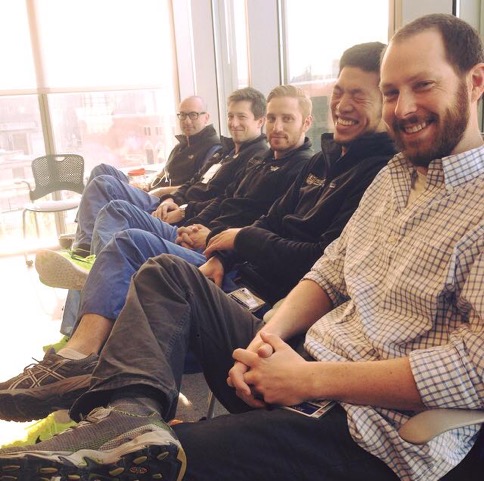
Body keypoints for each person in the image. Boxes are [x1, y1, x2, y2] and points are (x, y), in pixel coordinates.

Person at [2, 15, 483, 481]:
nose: (402, 108)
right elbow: (329, 273)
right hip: (295, 362)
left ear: (475, 81)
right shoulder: (392, 178)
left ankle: (125, 438)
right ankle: (125, 415)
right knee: (166, 273)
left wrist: (308, 380)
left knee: (157, 464)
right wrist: (264, 341)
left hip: (368, 429)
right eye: (392, 92)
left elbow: (476, 367)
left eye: (423, 85)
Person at [36, 87, 269, 335]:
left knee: (115, 211)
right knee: (108, 196)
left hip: (199, 234)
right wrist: (174, 200)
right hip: (186, 218)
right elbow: (205, 190)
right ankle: (77, 315)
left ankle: (85, 279)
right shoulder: (226, 152)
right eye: (231, 116)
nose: (233, 123)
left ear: (259, 120)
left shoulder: (253, 158)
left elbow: (234, 211)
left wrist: (188, 216)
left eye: (241, 117)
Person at [69, 95, 222, 256]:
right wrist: (147, 183)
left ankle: (84, 248)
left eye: (193, 115)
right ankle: (83, 234)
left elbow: (194, 187)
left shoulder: (213, 150)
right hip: (154, 192)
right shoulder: (182, 146)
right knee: (101, 170)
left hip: (165, 203)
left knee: (102, 184)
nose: (187, 120)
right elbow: (165, 172)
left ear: (206, 117)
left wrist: (159, 192)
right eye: (182, 115)